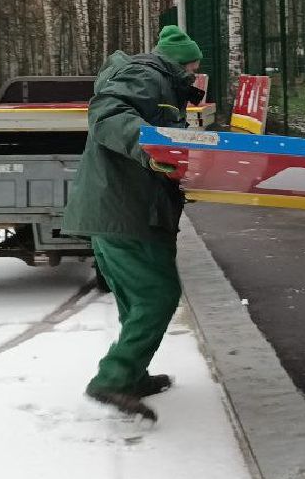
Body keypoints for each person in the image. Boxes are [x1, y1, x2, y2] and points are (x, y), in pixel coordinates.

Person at [62, 25, 206, 422]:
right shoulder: (148, 75)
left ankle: (134, 373)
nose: (196, 77)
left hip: (122, 208)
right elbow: (107, 115)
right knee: (158, 294)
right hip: (126, 210)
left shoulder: (159, 81)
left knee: (134, 297)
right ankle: (113, 377)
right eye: (195, 69)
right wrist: (151, 150)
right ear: (186, 63)